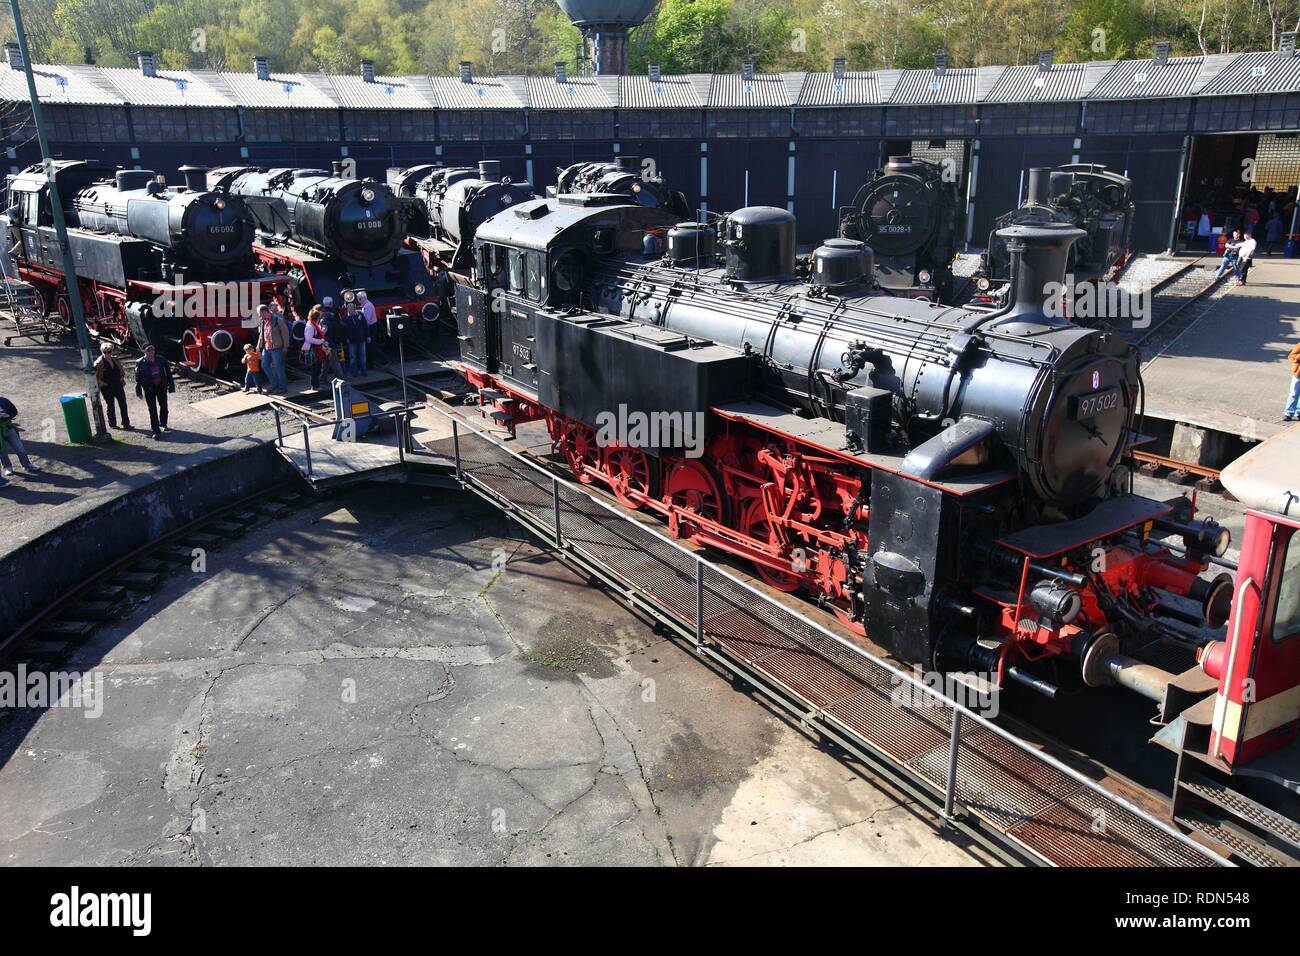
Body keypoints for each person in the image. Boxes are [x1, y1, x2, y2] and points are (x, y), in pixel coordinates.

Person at [134, 344, 175, 439]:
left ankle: (163, 423)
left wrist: (171, 386)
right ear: (144, 351)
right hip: (149, 388)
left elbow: (168, 373)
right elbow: (138, 378)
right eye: (149, 350)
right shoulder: (140, 362)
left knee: (164, 406)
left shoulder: (161, 359)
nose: (152, 352)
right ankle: (156, 430)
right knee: (152, 410)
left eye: (153, 350)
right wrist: (139, 391)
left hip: (161, 386)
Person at [0, 395, 38, 482]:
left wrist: (8, 415)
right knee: (2, 450)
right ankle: (7, 468)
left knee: (19, 446)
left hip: (8, 426)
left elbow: (14, 411)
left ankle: (27, 464)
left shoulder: (4, 400)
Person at [94, 342, 131, 430]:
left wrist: (122, 377)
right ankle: (113, 424)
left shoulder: (115, 359)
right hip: (107, 387)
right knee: (110, 405)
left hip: (118, 385)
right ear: (102, 352)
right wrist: (103, 384)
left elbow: (121, 370)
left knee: (123, 405)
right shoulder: (98, 363)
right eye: (104, 352)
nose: (107, 354)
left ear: (112, 351)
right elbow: (94, 377)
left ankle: (126, 423)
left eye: (109, 351)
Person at [255, 304, 290, 393]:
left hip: (277, 347)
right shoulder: (263, 321)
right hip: (267, 348)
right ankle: (274, 384)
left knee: (279, 368)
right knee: (264, 365)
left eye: (260, 314)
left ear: (264, 312)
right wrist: (258, 346)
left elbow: (285, 333)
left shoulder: (278, 320)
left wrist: (286, 346)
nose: (259, 317)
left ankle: (282, 387)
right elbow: (261, 335)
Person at [320, 299, 346, 381]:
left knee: (331, 362)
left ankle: (340, 378)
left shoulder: (323, 320)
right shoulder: (335, 316)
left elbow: (323, 332)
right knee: (330, 362)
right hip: (333, 342)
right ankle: (324, 378)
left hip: (327, 344)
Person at [356, 290, 384, 365]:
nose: (358, 300)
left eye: (358, 299)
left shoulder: (367, 306)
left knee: (371, 345)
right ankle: (373, 361)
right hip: (372, 326)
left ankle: (382, 359)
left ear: (361, 299)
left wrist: (363, 330)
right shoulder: (367, 305)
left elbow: (367, 321)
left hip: (370, 327)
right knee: (371, 345)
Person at [343, 302, 368, 377]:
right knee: (352, 357)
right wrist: (346, 338)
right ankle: (354, 372)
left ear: (354, 309)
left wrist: (368, 336)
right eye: (348, 310)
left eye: (351, 311)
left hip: (361, 339)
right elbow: (343, 330)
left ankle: (364, 371)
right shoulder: (345, 318)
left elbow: (365, 326)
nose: (349, 312)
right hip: (351, 340)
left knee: (362, 356)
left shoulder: (360, 315)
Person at [1287, 340, 1300, 422]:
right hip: (1298, 373)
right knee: (1294, 393)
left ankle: (1298, 413)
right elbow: (1291, 356)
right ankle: (1288, 413)